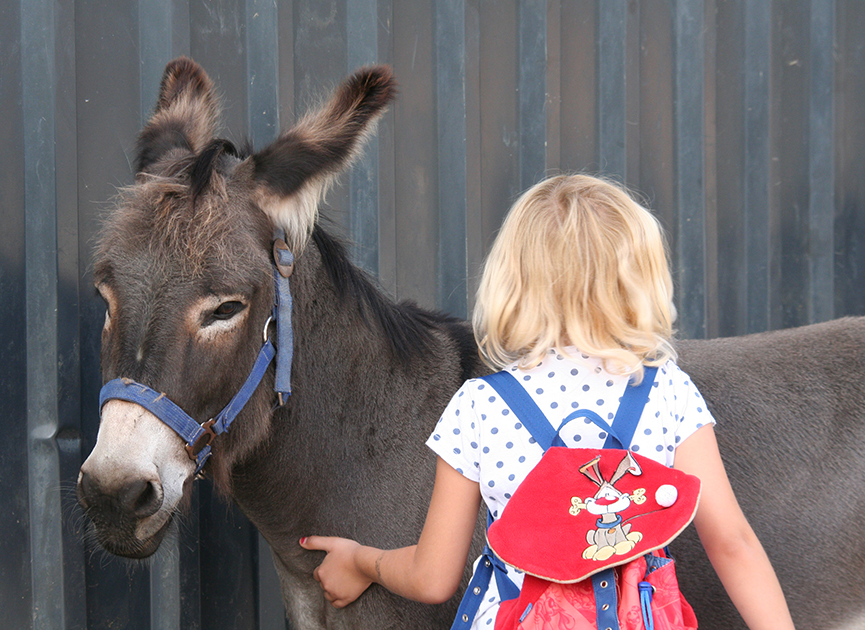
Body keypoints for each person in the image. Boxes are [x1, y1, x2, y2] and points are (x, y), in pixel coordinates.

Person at [300, 174, 795, 630]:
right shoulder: (666, 391)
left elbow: (433, 578)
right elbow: (732, 544)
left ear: (512, 280)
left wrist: (362, 560)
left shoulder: (479, 405)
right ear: (640, 277)